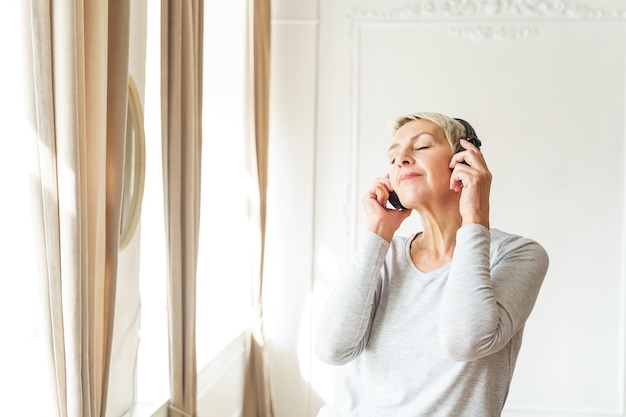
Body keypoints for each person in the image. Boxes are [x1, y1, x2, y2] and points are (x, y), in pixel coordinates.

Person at [314, 112, 549, 417]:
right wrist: (378, 232)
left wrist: (475, 215)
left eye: (422, 146)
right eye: (393, 156)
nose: (402, 160)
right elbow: (333, 348)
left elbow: (465, 341)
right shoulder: (384, 253)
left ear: (464, 161)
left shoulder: (518, 254)